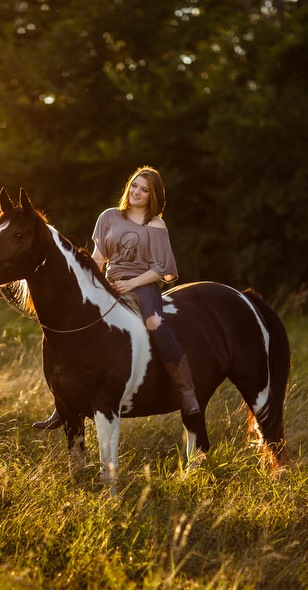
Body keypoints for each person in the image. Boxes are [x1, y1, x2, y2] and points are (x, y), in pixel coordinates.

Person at [33, 166, 201, 430]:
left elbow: (160, 269)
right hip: (109, 282)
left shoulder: (156, 225)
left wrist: (131, 283)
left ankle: (186, 390)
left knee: (156, 323)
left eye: (144, 190)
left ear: (153, 196)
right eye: (135, 185)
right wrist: (90, 283)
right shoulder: (109, 216)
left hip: (142, 284)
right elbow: (99, 257)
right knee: (78, 324)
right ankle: (63, 403)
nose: (137, 192)